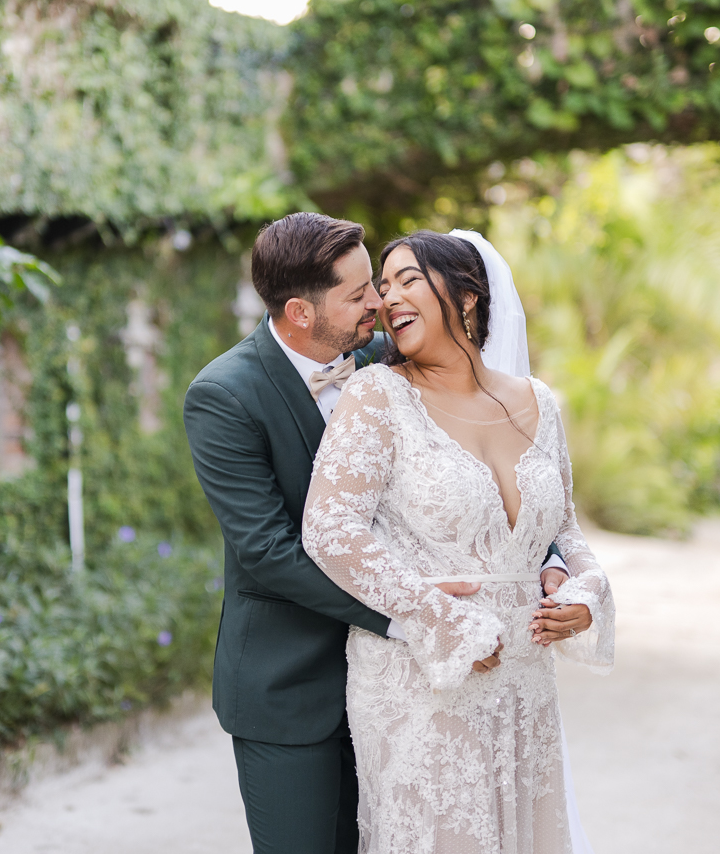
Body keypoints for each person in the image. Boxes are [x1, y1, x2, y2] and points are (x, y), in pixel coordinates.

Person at [183, 214, 571, 854]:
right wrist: (414, 612)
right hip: (293, 683)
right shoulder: (225, 394)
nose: (380, 303)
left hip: (410, 687)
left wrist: (546, 558)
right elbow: (268, 551)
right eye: (360, 293)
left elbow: (477, 477)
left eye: (380, 285)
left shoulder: (390, 368)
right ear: (301, 312)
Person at [302, 229, 614, 854]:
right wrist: (434, 614)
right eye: (383, 287)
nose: (389, 298)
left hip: (525, 682)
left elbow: (565, 531)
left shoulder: (538, 404)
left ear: (467, 296)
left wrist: (588, 591)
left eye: (407, 279)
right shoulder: (377, 396)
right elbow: (329, 530)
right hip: (422, 680)